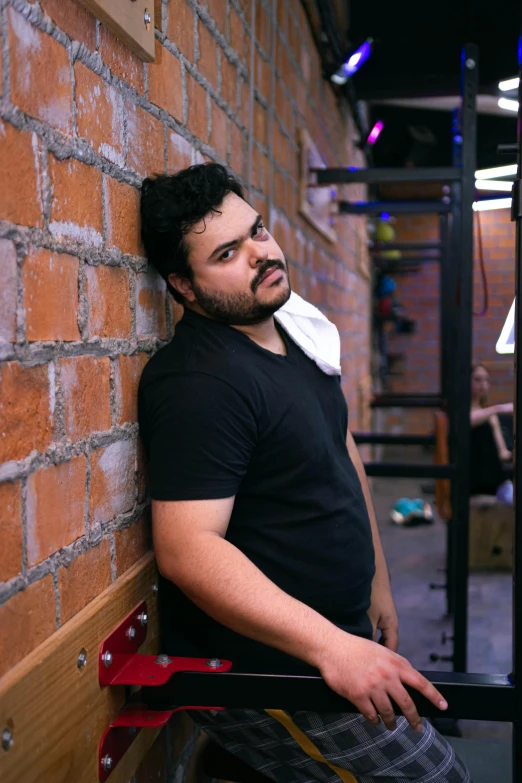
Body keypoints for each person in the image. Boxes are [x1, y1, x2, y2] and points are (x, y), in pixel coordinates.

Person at [138, 163, 470, 783]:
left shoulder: (295, 332)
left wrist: (377, 581)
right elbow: (187, 550)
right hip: (266, 671)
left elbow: (340, 453)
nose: (262, 255)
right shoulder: (200, 383)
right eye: (228, 253)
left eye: (257, 231)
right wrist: (335, 648)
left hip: (329, 640)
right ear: (183, 286)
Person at [470, 363, 513, 499]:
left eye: (486, 380)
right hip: (472, 478)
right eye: (477, 379)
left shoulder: (490, 415)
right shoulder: (459, 411)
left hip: (495, 480)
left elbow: (502, 453)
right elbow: (466, 422)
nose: (483, 384)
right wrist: (499, 408)